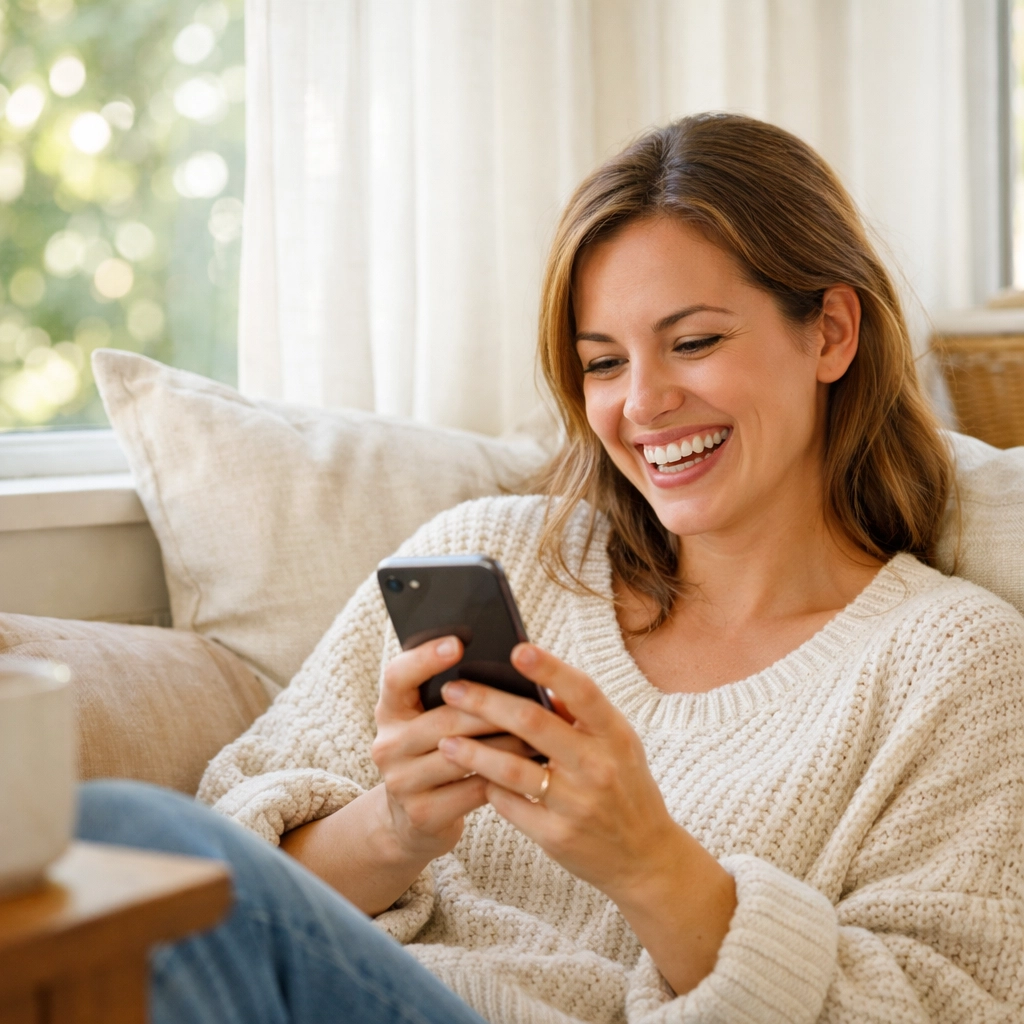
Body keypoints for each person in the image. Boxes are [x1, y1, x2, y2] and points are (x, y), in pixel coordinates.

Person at [78, 113, 1024, 1023]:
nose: (644, 404)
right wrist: (398, 827)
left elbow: (946, 1001)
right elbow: (219, 894)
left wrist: (648, 861)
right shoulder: (497, 556)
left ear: (831, 333)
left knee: (127, 829)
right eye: (603, 363)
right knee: (120, 849)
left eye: (694, 342)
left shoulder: (957, 666)